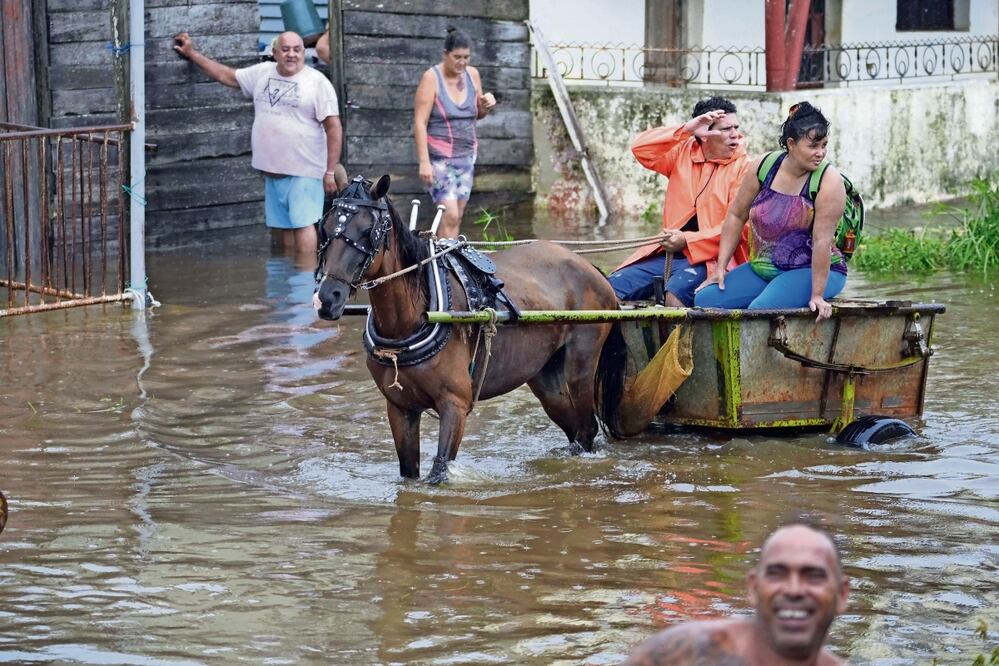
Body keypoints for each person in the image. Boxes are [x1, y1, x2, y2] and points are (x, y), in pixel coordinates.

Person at [173, 31, 342, 255]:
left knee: (303, 226)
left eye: (297, 49)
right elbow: (227, 76)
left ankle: (304, 284)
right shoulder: (262, 73)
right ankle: (288, 282)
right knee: (284, 230)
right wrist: (192, 54)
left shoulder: (317, 82)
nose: (291, 54)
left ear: (303, 52)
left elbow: (334, 127)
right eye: (285, 49)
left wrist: (330, 171)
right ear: (274, 53)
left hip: (305, 170)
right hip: (273, 172)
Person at [694, 102, 847, 321]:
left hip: (812, 271)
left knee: (759, 310)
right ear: (791, 144)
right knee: (705, 301)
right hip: (764, 268)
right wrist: (720, 268)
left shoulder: (828, 181)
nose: (820, 153)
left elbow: (822, 241)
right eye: (813, 146)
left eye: (824, 145)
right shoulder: (764, 166)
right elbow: (736, 215)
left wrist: (817, 295)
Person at [625, 523, 851, 665]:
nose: (794, 590)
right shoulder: (681, 655)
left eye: (813, 576)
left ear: (842, 595)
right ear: (753, 588)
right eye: (777, 574)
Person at [607, 97, 752, 307]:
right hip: (667, 254)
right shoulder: (682, 152)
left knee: (675, 296)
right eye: (726, 129)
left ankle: (679, 341)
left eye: (736, 127)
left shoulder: (745, 168)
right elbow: (640, 148)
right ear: (704, 135)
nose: (736, 135)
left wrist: (688, 240)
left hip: (715, 259)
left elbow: (739, 227)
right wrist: (686, 129)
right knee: (608, 290)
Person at [412, 27, 497, 239]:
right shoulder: (431, 78)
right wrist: (424, 162)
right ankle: (442, 265)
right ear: (445, 54)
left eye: (466, 57)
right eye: (456, 57)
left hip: (467, 156)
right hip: (440, 159)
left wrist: (486, 105)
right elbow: (420, 122)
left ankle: (447, 261)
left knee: (457, 216)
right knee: (448, 215)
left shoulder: (473, 75)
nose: (462, 62)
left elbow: (477, 115)